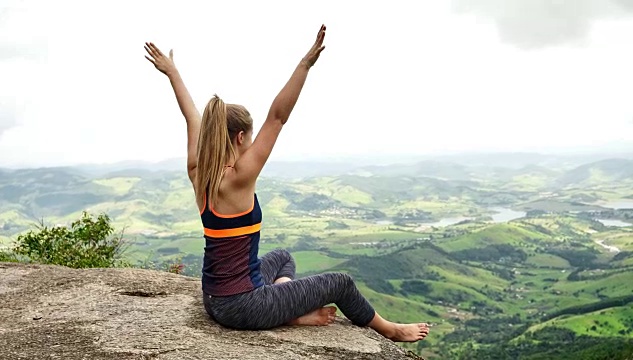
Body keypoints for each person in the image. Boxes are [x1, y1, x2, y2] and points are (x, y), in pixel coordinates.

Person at [143, 24, 430, 342]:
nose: (251, 145)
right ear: (240, 138)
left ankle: (286, 309)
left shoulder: (198, 172)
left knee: (283, 257)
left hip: (214, 300)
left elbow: (192, 117)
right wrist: (304, 65)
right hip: (244, 306)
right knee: (342, 283)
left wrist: (173, 73)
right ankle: (390, 329)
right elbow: (278, 117)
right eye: (249, 139)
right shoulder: (238, 179)